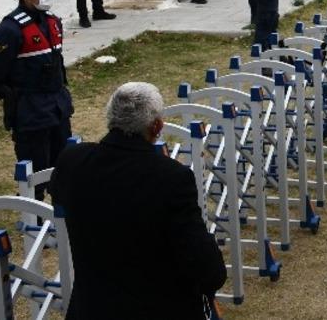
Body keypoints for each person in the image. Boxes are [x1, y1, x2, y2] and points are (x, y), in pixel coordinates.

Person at [49, 82, 226, 318]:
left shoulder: (73, 161)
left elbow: (59, 196)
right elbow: (204, 264)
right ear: (157, 126)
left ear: (110, 119)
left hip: (92, 306)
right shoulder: (171, 177)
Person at [0, 0, 72, 197]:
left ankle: (61, 215)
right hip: (31, 114)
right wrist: (12, 97)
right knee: (35, 177)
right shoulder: (9, 30)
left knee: (63, 173)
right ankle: (35, 215)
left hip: (58, 108)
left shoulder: (53, 22)